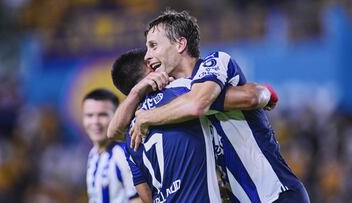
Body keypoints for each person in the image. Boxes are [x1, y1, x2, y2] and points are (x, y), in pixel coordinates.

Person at [129, 9, 310, 203]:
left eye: (153, 46)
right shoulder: (176, 99)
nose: (147, 56)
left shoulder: (215, 62)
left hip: (277, 195)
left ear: (180, 44)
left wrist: (146, 117)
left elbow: (197, 104)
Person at [107, 48, 276, 202]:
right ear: (151, 68)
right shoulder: (183, 92)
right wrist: (269, 93)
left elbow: (146, 196)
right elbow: (250, 97)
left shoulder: (131, 136)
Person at [82, 89, 142, 203]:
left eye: (102, 115)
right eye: (89, 115)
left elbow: (139, 199)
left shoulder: (123, 154)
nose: (95, 121)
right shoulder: (93, 154)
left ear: (116, 117)